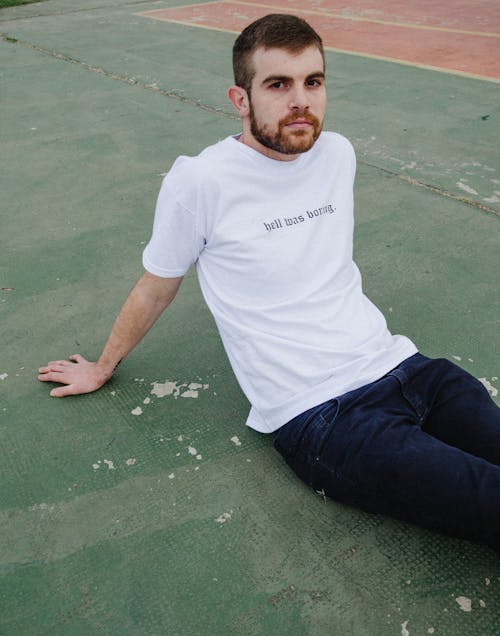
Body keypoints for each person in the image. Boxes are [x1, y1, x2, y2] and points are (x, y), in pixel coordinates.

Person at [39, 14, 500, 548]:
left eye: (314, 81)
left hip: (409, 369)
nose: (300, 99)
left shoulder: (337, 153)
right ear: (241, 99)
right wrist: (102, 365)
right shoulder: (202, 180)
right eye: (278, 84)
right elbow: (156, 284)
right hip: (324, 416)